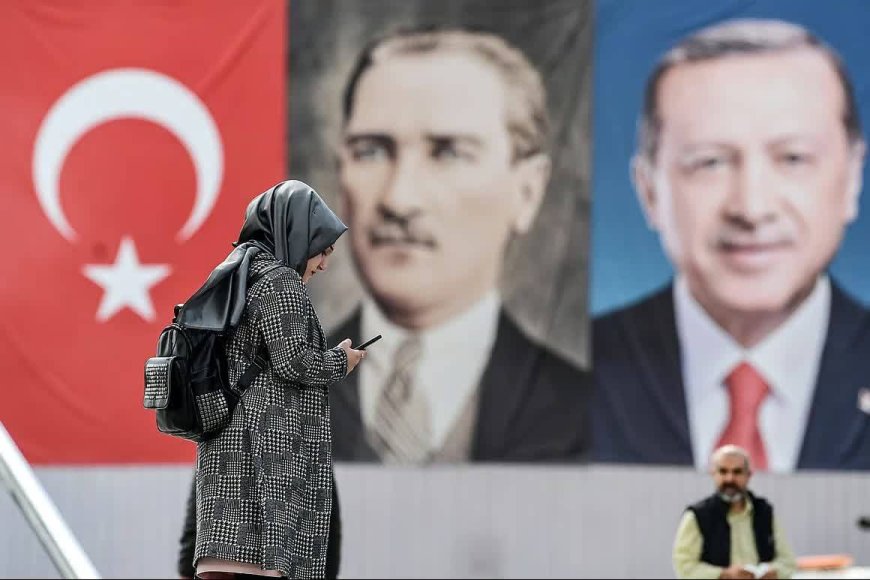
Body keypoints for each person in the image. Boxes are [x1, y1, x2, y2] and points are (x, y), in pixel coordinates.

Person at [593, 18, 870, 471]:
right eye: (710, 163)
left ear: (853, 178)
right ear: (649, 191)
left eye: (793, 158)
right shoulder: (569, 381)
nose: (752, 208)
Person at [327, 27, 591, 463]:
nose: (399, 199)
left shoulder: (587, 411)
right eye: (371, 151)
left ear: (527, 192)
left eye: (448, 153)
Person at [177, 180, 365, 579]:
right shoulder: (280, 282)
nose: (323, 264)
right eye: (322, 249)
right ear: (296, 234)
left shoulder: (238, 275)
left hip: (226, 470)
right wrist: (341, 360)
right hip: (263, 464)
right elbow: (294, 362)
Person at [673, 445, 797, 579]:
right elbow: (684, 566)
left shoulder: (764, 512)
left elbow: (788, 562)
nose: (730, 479)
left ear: (748, 475)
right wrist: (723, 574)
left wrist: (773, 572)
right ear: (713, 474)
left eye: (737, 472)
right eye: (723, 471)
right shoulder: (698, 516)